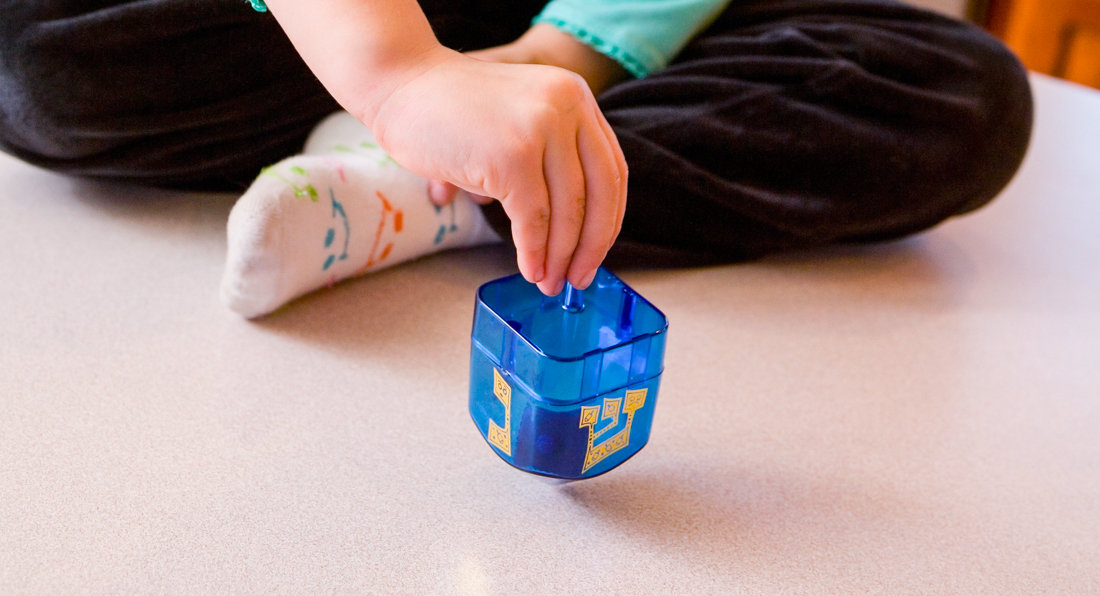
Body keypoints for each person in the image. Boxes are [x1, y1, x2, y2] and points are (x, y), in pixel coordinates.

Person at [0, 0, 1032, 318]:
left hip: (556, 18)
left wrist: (556, 56)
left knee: (961, 96)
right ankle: (427, 133)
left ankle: (419, 194)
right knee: (32, 55)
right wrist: (398, 73)